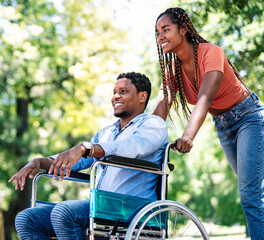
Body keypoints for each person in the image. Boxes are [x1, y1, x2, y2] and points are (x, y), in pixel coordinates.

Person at [9, 72, 168, 240]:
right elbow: (77, 160)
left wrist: (87, 148)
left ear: (142, 96)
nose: (116, 97)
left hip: (131, 207)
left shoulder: (154, 124)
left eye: (123, 91)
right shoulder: (106, 132)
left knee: (64, 213)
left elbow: (132, 147)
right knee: (27, 219)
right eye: (114, 92)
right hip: (101, 206)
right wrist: (39, 162)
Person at [153, 7, 264, 239]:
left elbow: (205, 98)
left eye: (166, 29)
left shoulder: (211, 52)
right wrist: (143, 136)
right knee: (254, 191)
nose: (160, 36)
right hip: (223, 126)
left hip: (249, 118)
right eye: (157, 32)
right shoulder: (173, 69)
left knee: (250, 195)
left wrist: (188, 136)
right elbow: (162, 104)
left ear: (183, 30)